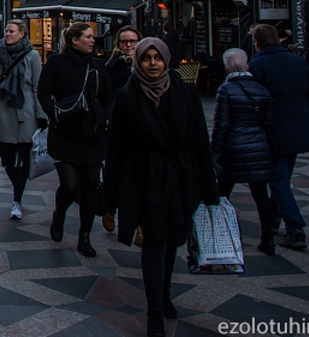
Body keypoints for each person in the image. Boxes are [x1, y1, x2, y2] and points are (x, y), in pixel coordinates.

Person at [103, 36, 217, 337]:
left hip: (180, 178)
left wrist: (209, 187)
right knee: (154, 242)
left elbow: (200, 142)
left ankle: (164, 291)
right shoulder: (126, 96)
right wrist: (110, 194)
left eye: (157, 58)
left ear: (166, 60)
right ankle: (154, 309)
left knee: (172, 241)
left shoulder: (186, 93)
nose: (152, 63)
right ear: (138, 62)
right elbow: (115, 148)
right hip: (144, 180)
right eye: (146, 58)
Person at [247, 23, 309, 251]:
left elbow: (253, 101)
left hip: (272, 131)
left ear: (258, 43)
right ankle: (273, 219)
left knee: (279, 180)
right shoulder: (297, 63)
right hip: (298, 129)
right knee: (283, 177)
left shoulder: (257, 65)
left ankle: (295, 227)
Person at [38, 21, 113, 257]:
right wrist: (55, 115)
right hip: (65, 133)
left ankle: (85, 236)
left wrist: (106, 118)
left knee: (91, 186)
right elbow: (43, 91)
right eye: (88, 36)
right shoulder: (56, 63)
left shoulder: (97, 66)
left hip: (92, 134)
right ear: (74, 40)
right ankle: (59, 215)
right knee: (71, 185)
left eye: (93, 37)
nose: (93, 40)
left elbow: (108, 96)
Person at [212, 47, 277, 255]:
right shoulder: (261, 89)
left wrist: (214, 151)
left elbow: (221, 124)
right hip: (258, 148)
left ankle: (218, 234)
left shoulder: (226, 90)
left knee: (222, 194)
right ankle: (268, 236)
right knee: (261, 195)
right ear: (247, 66)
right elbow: (269, 122)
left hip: (233, 149)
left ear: (226, 68)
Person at [0, 19, 42, 220]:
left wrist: (41, 115)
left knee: (23, 158)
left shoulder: (32, 56)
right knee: (6, 157)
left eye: (12, 31)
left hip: (26, 110)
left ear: (22, 34)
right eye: (6, 30)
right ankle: (17, 186)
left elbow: (37, 86)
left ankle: (17, 199)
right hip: (4, 108)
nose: (7, 34)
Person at [104, 26, 142, 95]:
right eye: (124, 42)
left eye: (132, 41)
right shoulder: (112, 65)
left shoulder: (145, 61)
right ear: (119, 43)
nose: (128, 45)